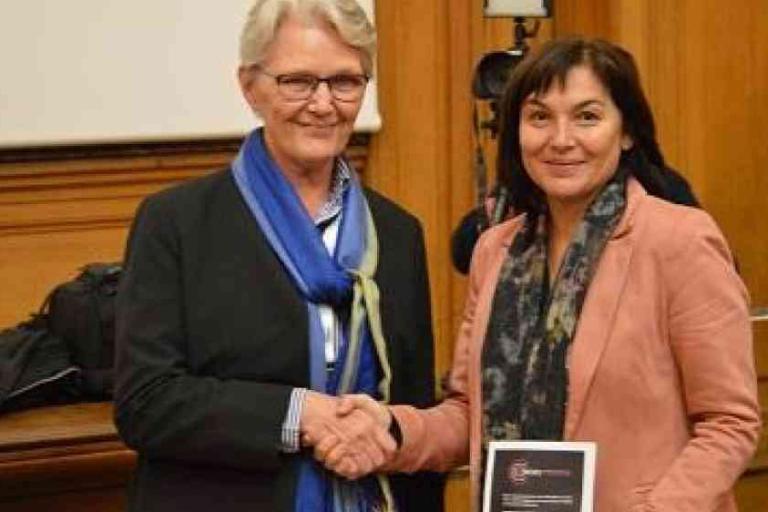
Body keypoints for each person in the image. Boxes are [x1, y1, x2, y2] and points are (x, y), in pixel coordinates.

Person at [317, 37, 762, 511]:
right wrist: (390, 428)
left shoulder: (679, 240)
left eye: (587, 116)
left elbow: (729, 424)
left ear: (627, 130)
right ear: (517, 132)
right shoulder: (495, 249)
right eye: (540, 117)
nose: (561, 139)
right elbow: (467, 412)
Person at [113, 1, 443, 511]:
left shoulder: (397, 234)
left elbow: (413, 410)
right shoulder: (176, 223)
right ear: (251, 87)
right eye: (298, 82)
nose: (323, 103)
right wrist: (298, 414)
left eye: (346, 82)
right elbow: (147, 402)